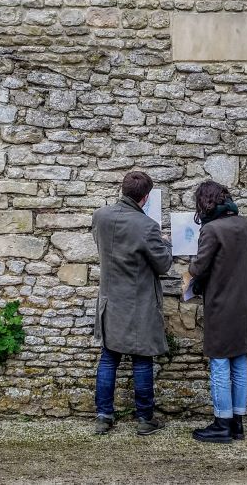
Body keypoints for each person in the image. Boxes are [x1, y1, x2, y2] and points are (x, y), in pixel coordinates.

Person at [91, 171, 173, 436]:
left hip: (110, 300)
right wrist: (166, 245)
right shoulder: (147, 225)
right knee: (141, 360)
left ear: (122, 190)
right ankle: (144, 419)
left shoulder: (100, 216)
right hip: (138, 303)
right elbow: (163, 265)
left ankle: (103, 416)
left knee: (108, 358)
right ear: (146, 197)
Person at [188, 181, 247, 444]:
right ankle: (237, 423)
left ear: (204, 202)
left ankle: (221, 424)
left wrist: (190, 267)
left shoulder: (212, 229)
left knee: (218, 362)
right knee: (239, 362)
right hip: (243, 304)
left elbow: (198, 268)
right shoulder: (245, 224)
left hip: (220, 304)